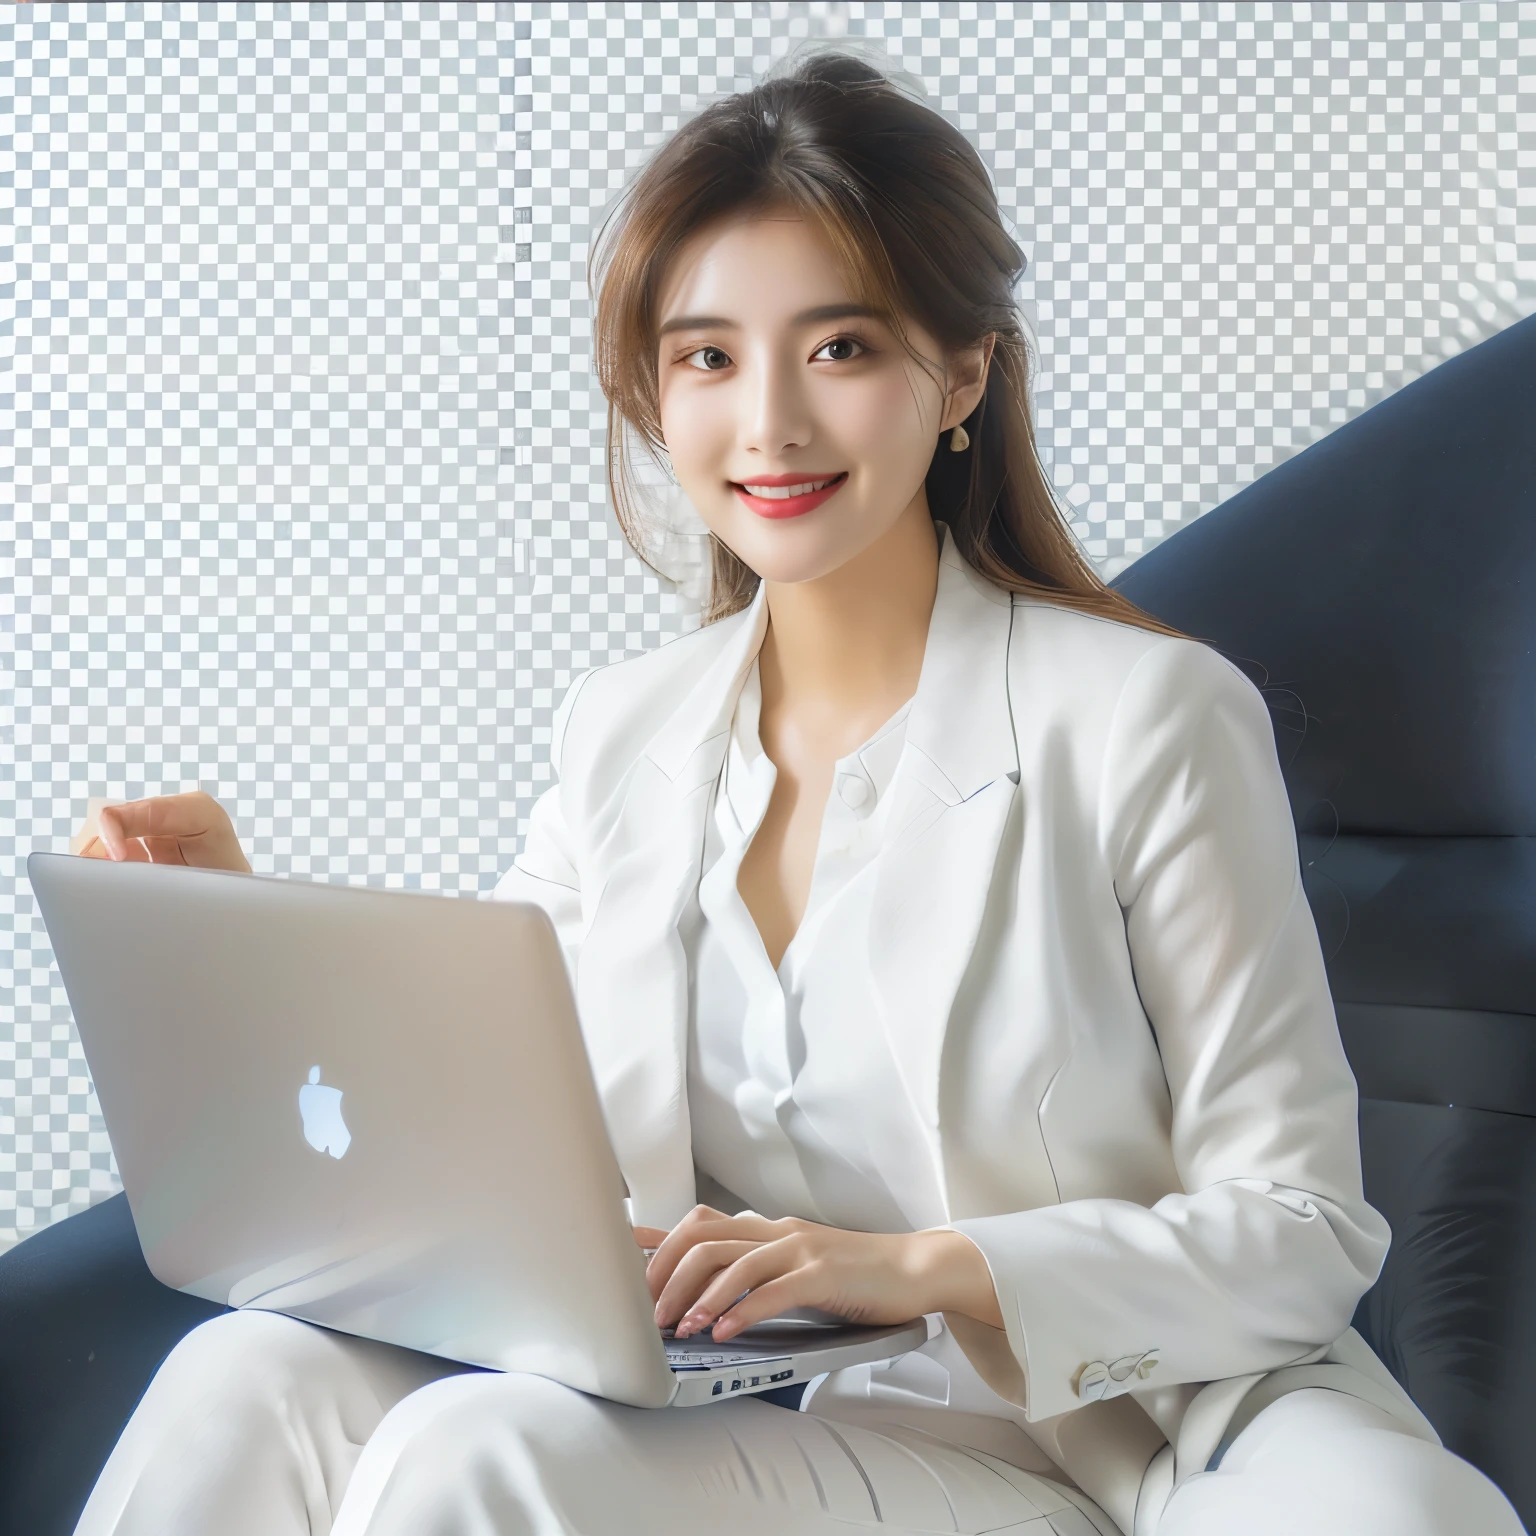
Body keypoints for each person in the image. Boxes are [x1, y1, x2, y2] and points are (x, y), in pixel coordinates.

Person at [69, 47, 1522, 1536]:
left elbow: (1303, 1228)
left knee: (474, 1457)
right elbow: (490, 1135)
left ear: (959, 374)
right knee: (248, 1372)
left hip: (1128, 1431)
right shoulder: (619, 739)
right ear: (653, 388)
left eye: (837, 349)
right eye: (707, 357)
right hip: (825, 1432)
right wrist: (245, 932)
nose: (766, 423)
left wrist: (923, 1267)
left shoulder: (1147, 717)